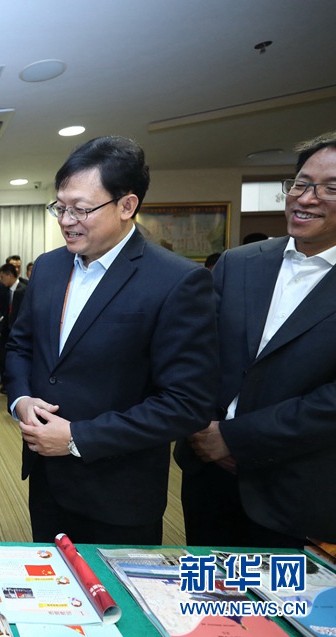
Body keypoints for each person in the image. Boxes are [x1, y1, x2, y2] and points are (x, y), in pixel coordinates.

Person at [5, 136, 217, 545]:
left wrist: (77, 438)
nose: (67, 220)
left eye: (81, 209)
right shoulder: (49, 268)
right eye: (60, 207)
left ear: (126, 206)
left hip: (117, 491)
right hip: (47, 481)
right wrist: (21, 399)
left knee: (116, 604)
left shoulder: (175, 281)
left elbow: (187, 404)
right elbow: (21, 346)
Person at [178, 131, 336, 547]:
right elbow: (195, 354)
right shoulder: (240, 263)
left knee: (282, 609)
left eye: (330, 189)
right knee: (206, 602)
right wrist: (201, 430)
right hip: (207, 476)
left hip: (295, 486)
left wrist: (234, 439)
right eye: (301, 183)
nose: (306, 198)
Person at [0, 263, 26, 393]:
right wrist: (0, 330)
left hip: (18, 333)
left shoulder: (22, 290)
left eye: (2, 277)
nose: (1, 280)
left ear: (10, 275)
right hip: (8, 331)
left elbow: (23, 315)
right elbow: (7, 313)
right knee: (5, 358)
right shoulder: (9, 291)